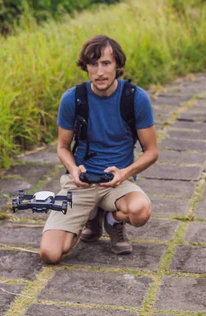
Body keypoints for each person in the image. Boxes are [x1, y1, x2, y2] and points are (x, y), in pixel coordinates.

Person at [39, 34, 158, 264]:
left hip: (118, 182)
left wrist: (125, 173)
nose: (100, 72)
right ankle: (90, 216)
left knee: (140, 211)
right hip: (81, 182)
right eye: (93, 64)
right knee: (50, 254)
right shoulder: (73, 98)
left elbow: (152, 151)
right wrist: (73, 170)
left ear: (117, 65)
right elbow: (63, 147)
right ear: (85, 67)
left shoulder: (135, 98)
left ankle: (113, 220)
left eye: (106, 63)